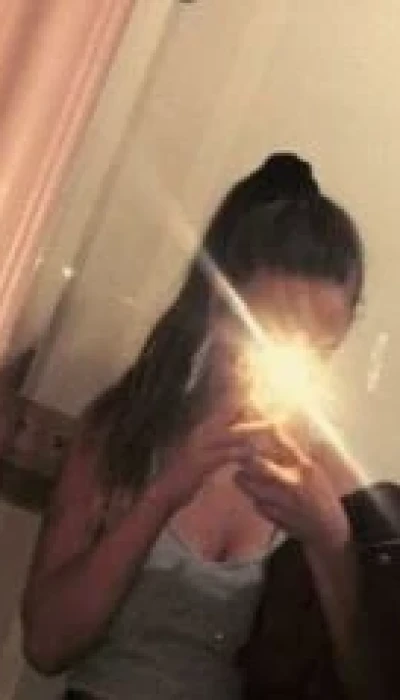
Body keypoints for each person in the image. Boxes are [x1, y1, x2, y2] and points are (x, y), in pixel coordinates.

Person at [21, 154, 399, 699]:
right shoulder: (127, 429)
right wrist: (166, 490)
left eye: (319, 348)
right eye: (272, 331)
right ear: (223, 311)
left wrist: (330, 541)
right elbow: (46, 645)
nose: (290, 359)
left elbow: (372, 686)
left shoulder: (329, 484)